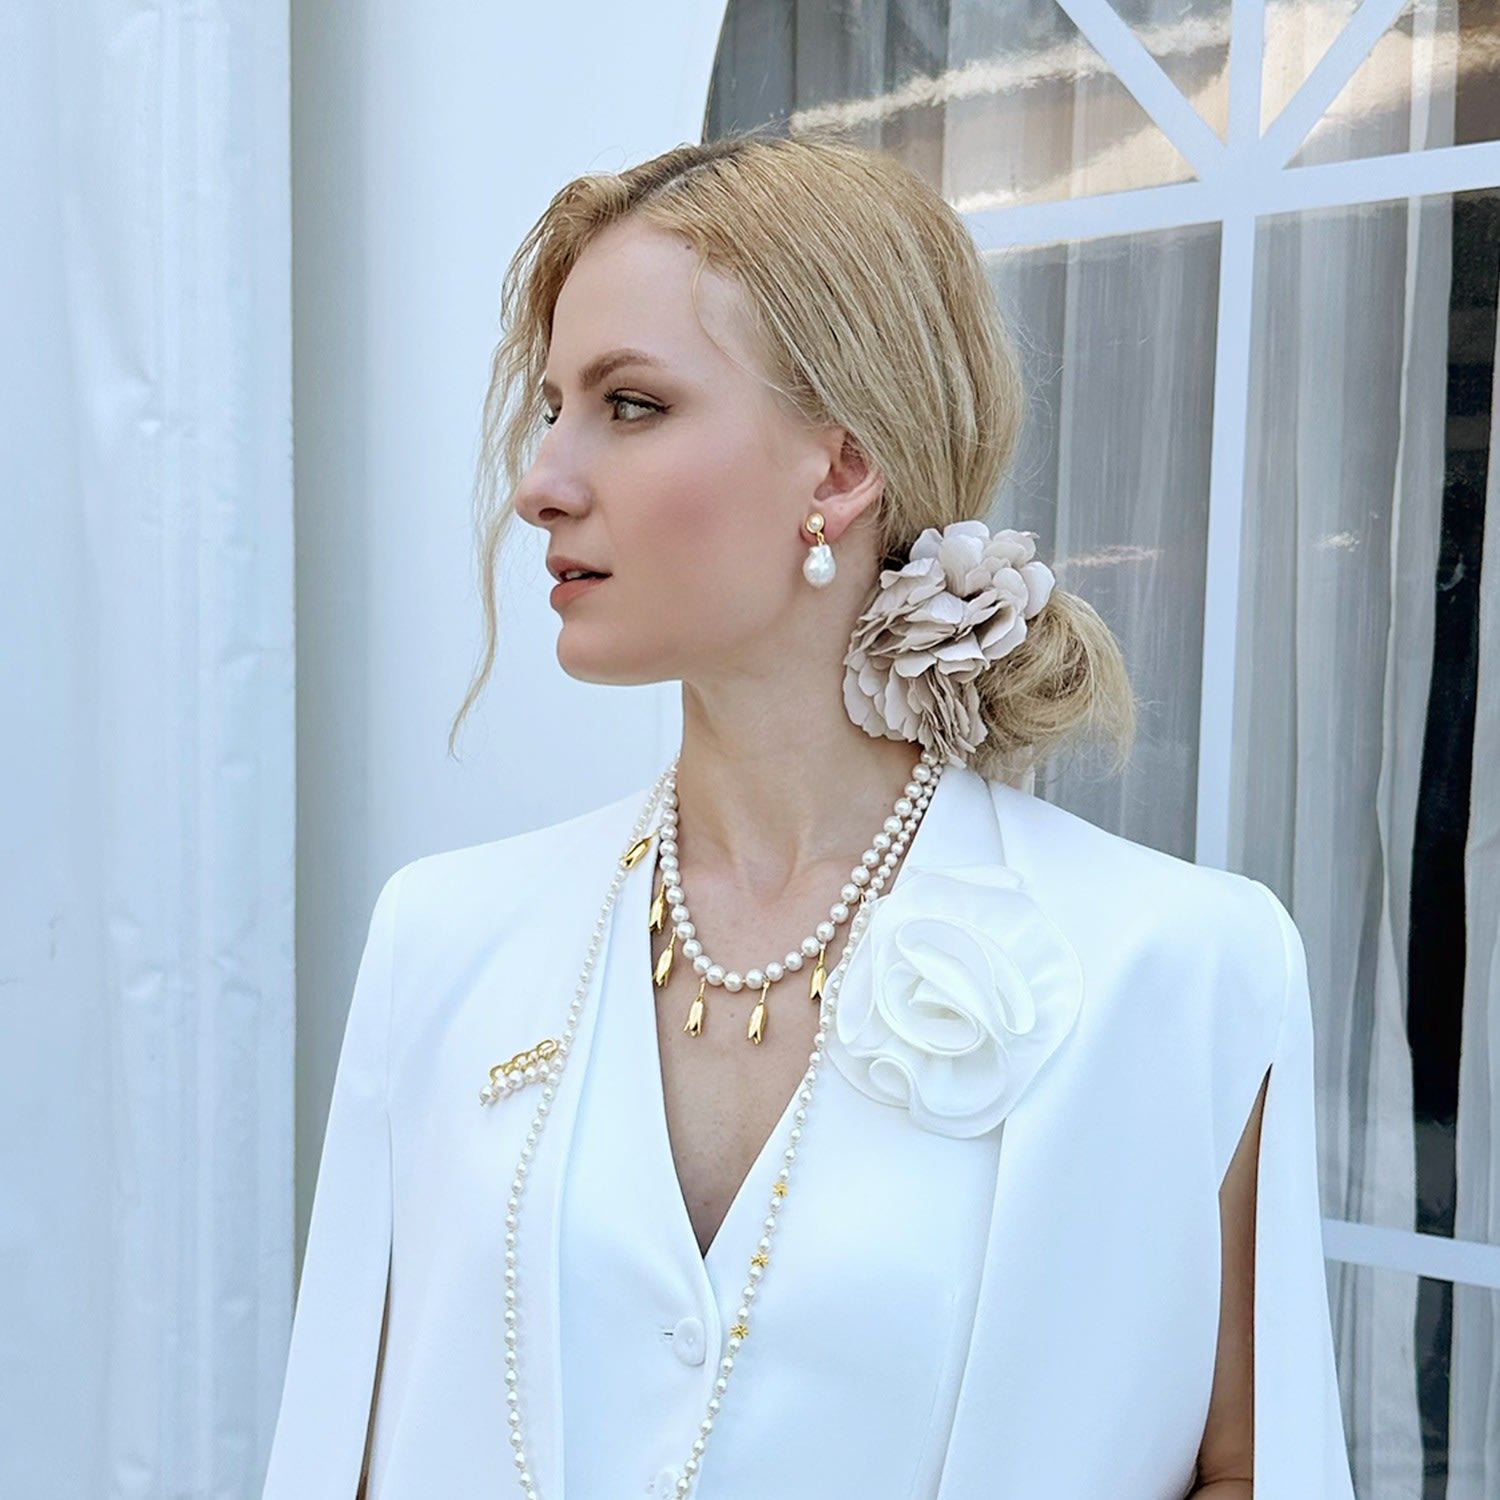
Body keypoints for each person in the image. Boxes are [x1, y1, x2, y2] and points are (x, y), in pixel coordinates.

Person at [262, 132, 1355, 1499]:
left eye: (631, 404)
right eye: (552, 408)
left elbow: (1245, 1467)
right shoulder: (441, 943)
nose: (541, 479)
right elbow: (349, 1450)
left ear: (840, 470)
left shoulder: (1181, 973)